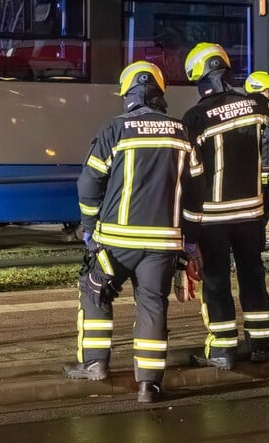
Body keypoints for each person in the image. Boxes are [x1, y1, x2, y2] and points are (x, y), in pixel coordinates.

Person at [64, 60, 203, 404]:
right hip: (163, 243)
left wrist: (91, 226)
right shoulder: (180, 131)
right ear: (159, 94)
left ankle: (95, 364)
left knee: (94, 291)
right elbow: (196, 189)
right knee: (153, 306)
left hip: (115, 242)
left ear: (128, 94)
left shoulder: (115, 129)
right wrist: (190, 237)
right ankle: (149, 385)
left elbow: (88, 182)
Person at [182, 43, 269, 370]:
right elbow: (267, 116)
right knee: (253, 275)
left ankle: (222, 351)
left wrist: (188, 230)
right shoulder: (258, 104)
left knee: (217, 281)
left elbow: (192, 176)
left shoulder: (195, 118)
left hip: (213, 218)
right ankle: (261, 343)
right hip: (252, 214)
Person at [244, 71, 269, 229]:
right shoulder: (256, 118)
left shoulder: (262, 118)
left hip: (261, 179)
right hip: (255, 181)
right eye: (268, 91)